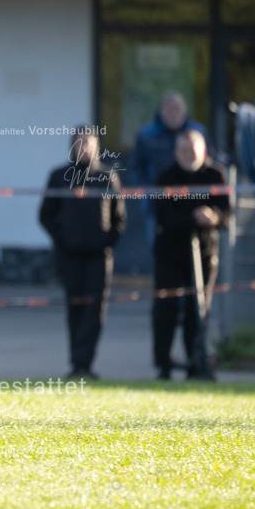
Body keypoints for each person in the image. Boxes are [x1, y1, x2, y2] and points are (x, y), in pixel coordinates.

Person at [39, 126, 126, 379]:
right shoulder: (59, 176)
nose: (83, 148)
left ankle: (86, 363)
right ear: (71, 146)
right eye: (79, 143)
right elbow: (45, 215)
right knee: (75, 306)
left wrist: (106, 242)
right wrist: (63, 239)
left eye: (88, 143)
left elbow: (119, 218)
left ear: (97, 146)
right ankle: (76, 363)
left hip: (99, 256)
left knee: (95, 309)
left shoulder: (107, 177)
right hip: (69, 255)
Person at [151, 129, 230, 380]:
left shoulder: (215, 175)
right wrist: (193, 218)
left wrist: (214, 217)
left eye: (192, 150)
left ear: (203, 150)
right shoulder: (166, 176)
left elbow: (227, 215)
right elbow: (161, 213)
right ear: (176, 152)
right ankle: (163, 364)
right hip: (170, 253)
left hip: (204, 253)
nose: (188, 154)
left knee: (199, 310)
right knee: (166, 309)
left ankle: (196, 362)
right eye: (183, 150)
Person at [133, 92, 210, 248]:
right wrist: (148, 189)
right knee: (161, 250)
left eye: (178, 109)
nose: (174, 114)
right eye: (170, 110)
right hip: (156, 203)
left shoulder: (198, 132)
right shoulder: (147, 135)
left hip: (193, 202)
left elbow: (209, 163)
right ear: (161, 112)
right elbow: (136, 168)